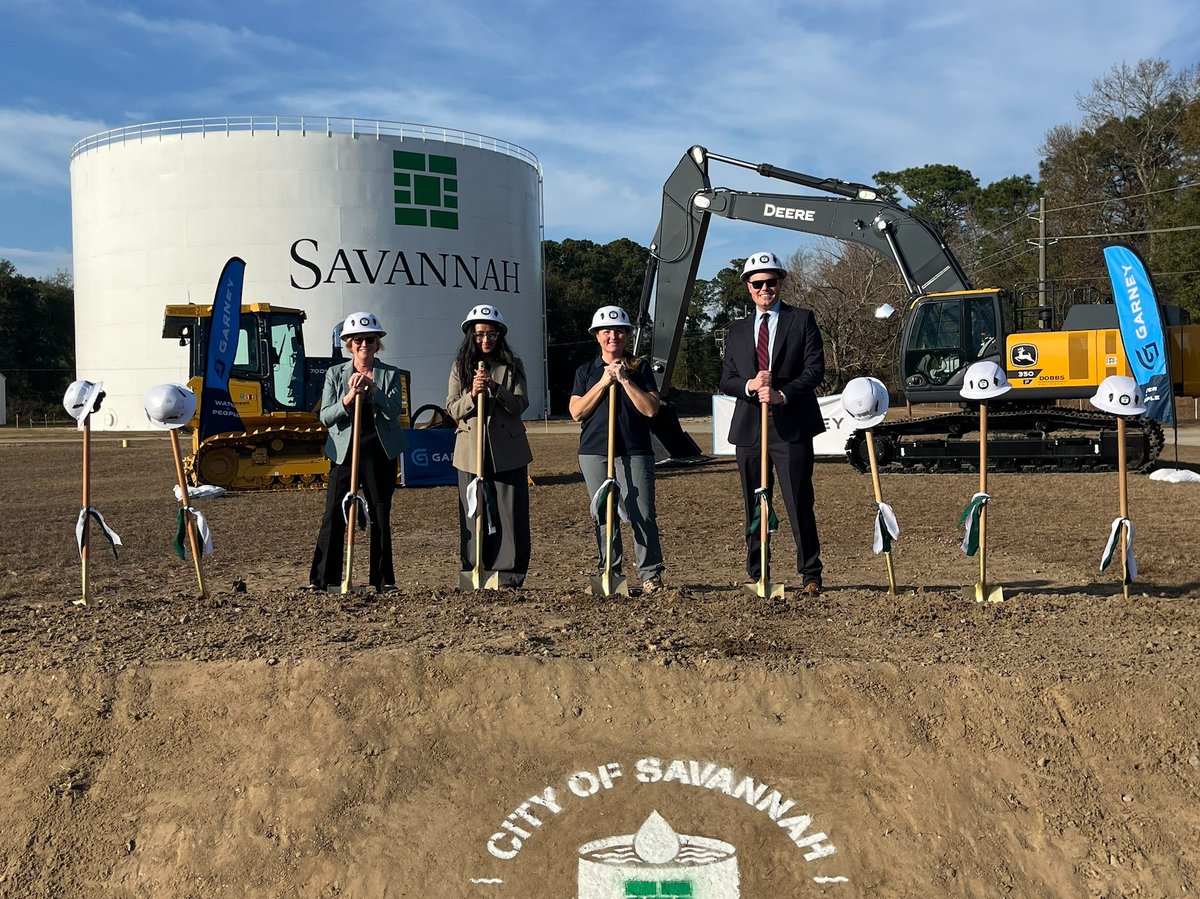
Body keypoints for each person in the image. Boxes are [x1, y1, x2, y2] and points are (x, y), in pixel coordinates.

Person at [719, 252, 826, 595]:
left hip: (790, 427)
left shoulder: (802, 320)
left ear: (780, 283)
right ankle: (757, 570)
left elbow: (814, 370)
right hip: (750, 429)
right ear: (748, 288)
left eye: (772, 282)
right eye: (758, 283)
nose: (766, 288)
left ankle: (810, 573)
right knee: (753, 502)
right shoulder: (735, 331)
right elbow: (728, 379)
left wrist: (783, 394)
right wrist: (750, 386)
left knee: (798, 502)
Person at [309, 311, 408, 592]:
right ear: (349, 344)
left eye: (370, 339)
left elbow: (394, 412)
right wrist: (349, 397)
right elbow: (326, 417)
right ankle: (323, 579)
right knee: (333, 514)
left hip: (379, 452)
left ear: (378, 343)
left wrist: (374, 391)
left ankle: (382, 580)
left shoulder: (390, 374)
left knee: (380, 514)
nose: (364, 344)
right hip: (344, 452)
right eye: (358, 340)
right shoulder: (335, 374)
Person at [569, 305, 665, 593]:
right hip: (594, 451)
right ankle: (609, 571)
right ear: (597, 336)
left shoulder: (641, 368)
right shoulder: (585, 371)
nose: (613, 336)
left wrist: (623, 379)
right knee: (603, 512)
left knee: (642, 512)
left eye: (620, 331)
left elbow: (650, 409)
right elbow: (576, 412)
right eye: (607, 331)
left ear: (626, 336)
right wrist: (603, 382)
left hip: (635, 450)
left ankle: (650, 574)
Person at [445, 304, 533, 587]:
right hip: (471, 451)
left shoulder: (513, 367)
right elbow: (452, 409)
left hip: (507, 450)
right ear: (471, 335)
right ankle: (474, 569)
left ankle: (508, 573)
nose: (485, 340)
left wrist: (496, 389)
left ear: (499, 335)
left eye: (491, 334)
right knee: (473, 511)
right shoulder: (460, 367)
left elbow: (521, 404)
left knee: (510, 513)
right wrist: (472, 394)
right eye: (480, 334)